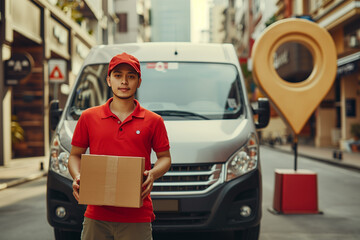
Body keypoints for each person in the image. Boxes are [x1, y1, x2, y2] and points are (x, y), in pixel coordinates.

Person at [68, 52, 171, 240]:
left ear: (139, 82)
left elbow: (165, 157)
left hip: (138, 214)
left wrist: (153, 174)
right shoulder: (88, 117)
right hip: (96, 214)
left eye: (131, 76)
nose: (124, 81)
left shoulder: (153, 121)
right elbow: (75, 155)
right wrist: (78, 176)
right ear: (108, 80)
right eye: (118, 76)